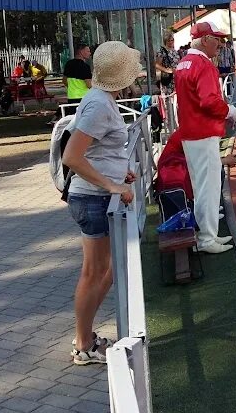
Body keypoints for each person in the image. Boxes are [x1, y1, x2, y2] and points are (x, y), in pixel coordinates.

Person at [61, 40, 144, 365]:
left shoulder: (100, 99)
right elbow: (72, 157)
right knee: (95, 272)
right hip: (92, 200)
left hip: (96, 198)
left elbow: (98, 151)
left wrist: (119, 173)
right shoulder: (98, 104)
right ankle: (83, 342)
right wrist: (110, 183)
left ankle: (85, 336)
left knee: (104, 271)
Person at [174, 22, 236, 254]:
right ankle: (206, 238)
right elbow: (209, 101)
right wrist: (229, 111)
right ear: (204, 40)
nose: (221, 44)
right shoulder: (203, 65)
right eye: (216, 39)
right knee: (208, 187)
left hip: (191, 131)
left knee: (202, 186)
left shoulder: (183, 63)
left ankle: (208, 233)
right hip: (203, 132)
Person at [63, 44, 93, 114]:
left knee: (74, 118)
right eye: (88, 51)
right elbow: (89, 85)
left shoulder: (68, 64)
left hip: (71, 97)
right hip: (84, 97)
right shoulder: (85, 66)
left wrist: (72, 87)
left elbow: (64, 81)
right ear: (81, 52)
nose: (90, 53)